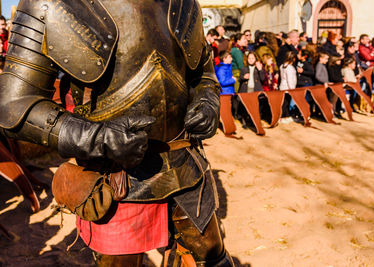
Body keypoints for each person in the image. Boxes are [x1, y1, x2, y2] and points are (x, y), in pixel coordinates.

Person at [0, 1, 234, 266]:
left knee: (213, 258)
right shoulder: (50, 4)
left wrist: (208, 99)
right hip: (116, 178)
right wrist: (97, 138)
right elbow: (12, 105)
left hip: (186, 167)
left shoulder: (183, 3)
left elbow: (203, 74)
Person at [279, 51, 297, 123]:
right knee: (285, 103)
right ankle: (283, 117)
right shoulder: (289, 68)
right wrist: (292, 89)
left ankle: (286, 116)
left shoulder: (282, 66)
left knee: (285, 102)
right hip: (288, 88)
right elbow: (290, 79)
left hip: (283, 87)